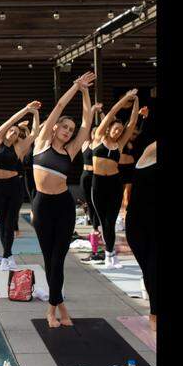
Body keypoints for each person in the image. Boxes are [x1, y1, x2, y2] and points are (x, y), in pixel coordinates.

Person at [31, 72, 97, 328]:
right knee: (49, 259)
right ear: (55, 127)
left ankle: (52, 308)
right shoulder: (41, 143)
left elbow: (87, 120)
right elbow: (59, 107)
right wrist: (74, 86)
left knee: (58, 259)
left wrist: (85, 93)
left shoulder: (70, 150)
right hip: (42, 206)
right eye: (65, 127)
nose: (69, 132)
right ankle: (61, 305)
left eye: (71, 130)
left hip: (63, 206)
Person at [90, 91, 142, 269]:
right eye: (116, 128)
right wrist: (125, 98)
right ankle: (109, 253)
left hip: (114, 184)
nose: (118, 131)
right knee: (103, 221)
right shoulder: (98, 138)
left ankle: (110, 255)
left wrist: (135, 102)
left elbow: (133, 121)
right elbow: (112, 112)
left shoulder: (119, 145)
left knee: (111, 221)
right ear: (109, 127)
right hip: (97, 184)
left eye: (121, 130)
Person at [0, 103, 40, 271]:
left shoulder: (18, 148)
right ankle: (8, 255)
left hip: (14, 188)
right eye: (12, 130)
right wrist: (25, 109)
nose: (13, 133)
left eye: (17, 133)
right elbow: (11, 120)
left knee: (10, 223)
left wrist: (35, 114)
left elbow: (34, 134)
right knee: (2, 223)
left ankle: (6, 256)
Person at [125, 140, 157, 339]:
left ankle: (154, 313)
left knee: (154, 268)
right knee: (148, 269)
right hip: (136, 224)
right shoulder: (147, 158)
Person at [116, 105, 149, 232]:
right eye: (132, 133)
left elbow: (142, 130)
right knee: (119, 194)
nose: (134, 135)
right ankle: (119, 217)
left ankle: (125, 218)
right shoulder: (121, 139)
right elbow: (131, 124)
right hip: (119, 168)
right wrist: (137, 115)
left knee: (127, 195)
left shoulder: (137, 141)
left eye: (135, 134)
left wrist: (144, 117)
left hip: (130, 168)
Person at [83, 105, 107, 261]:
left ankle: (99, 232)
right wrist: (91, 112)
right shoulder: (85, 143)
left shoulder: (100, 144)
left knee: (97, 206)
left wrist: (102, 113)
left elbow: (106, 126)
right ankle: (95, 233)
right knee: (89, 206)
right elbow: (85, 125)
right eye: (92, 131)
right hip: (85, 176)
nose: (93, 133)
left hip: (96, 176)